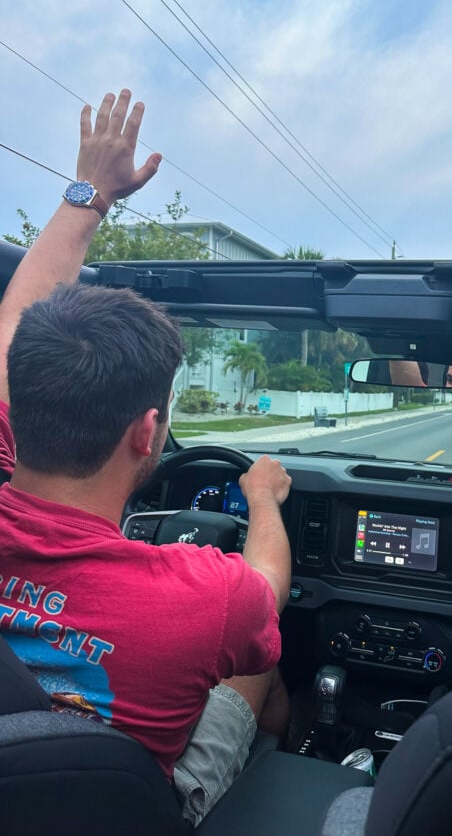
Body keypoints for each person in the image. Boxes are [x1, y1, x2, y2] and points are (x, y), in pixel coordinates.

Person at [0, 90, 292, 826]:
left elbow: (12, 323)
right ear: (149, 431)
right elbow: (267, 586)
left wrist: (86, 193)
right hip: (128, 805)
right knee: (252, 670)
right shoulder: (214, 599)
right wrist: (262, 500)